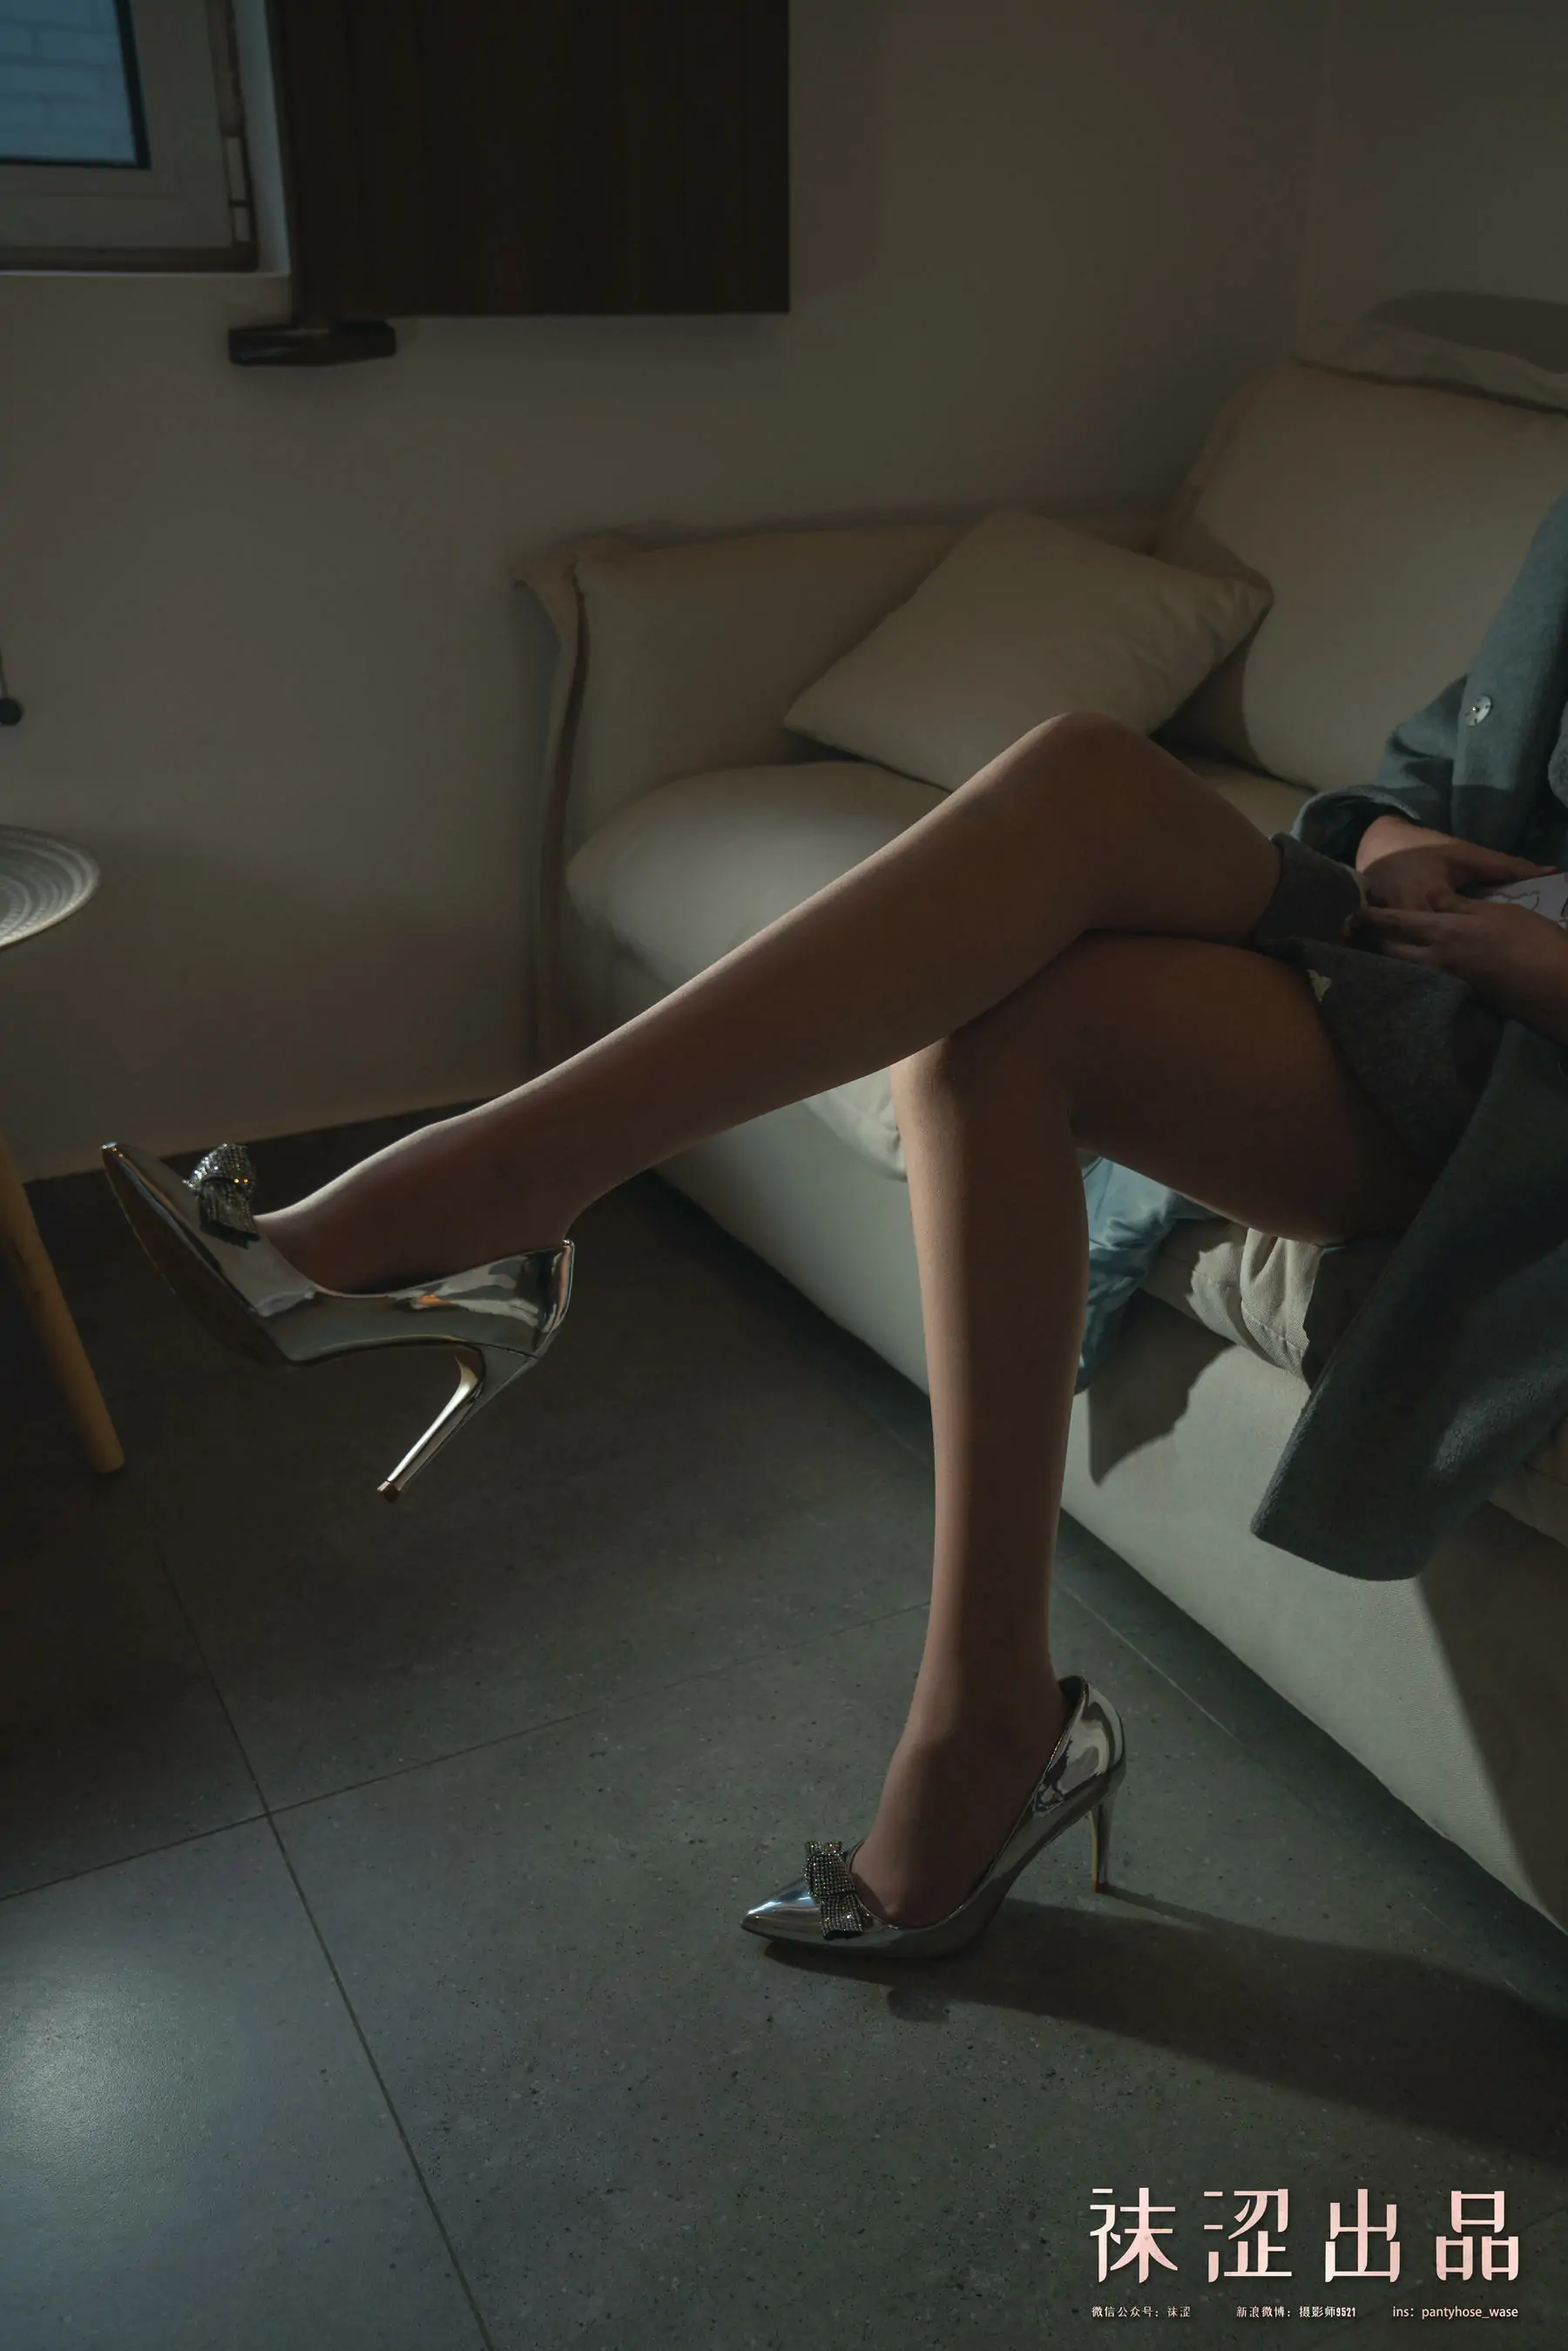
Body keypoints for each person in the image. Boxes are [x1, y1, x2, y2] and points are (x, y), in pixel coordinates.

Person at [103, 560, 1568, 1960]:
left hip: (1530, 1079)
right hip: (1441, 964)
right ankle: (989, 1717)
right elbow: (1436, 761)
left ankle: (480, 1202)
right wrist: (1393, 842)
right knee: (1043, 892)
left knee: (1046, 907)